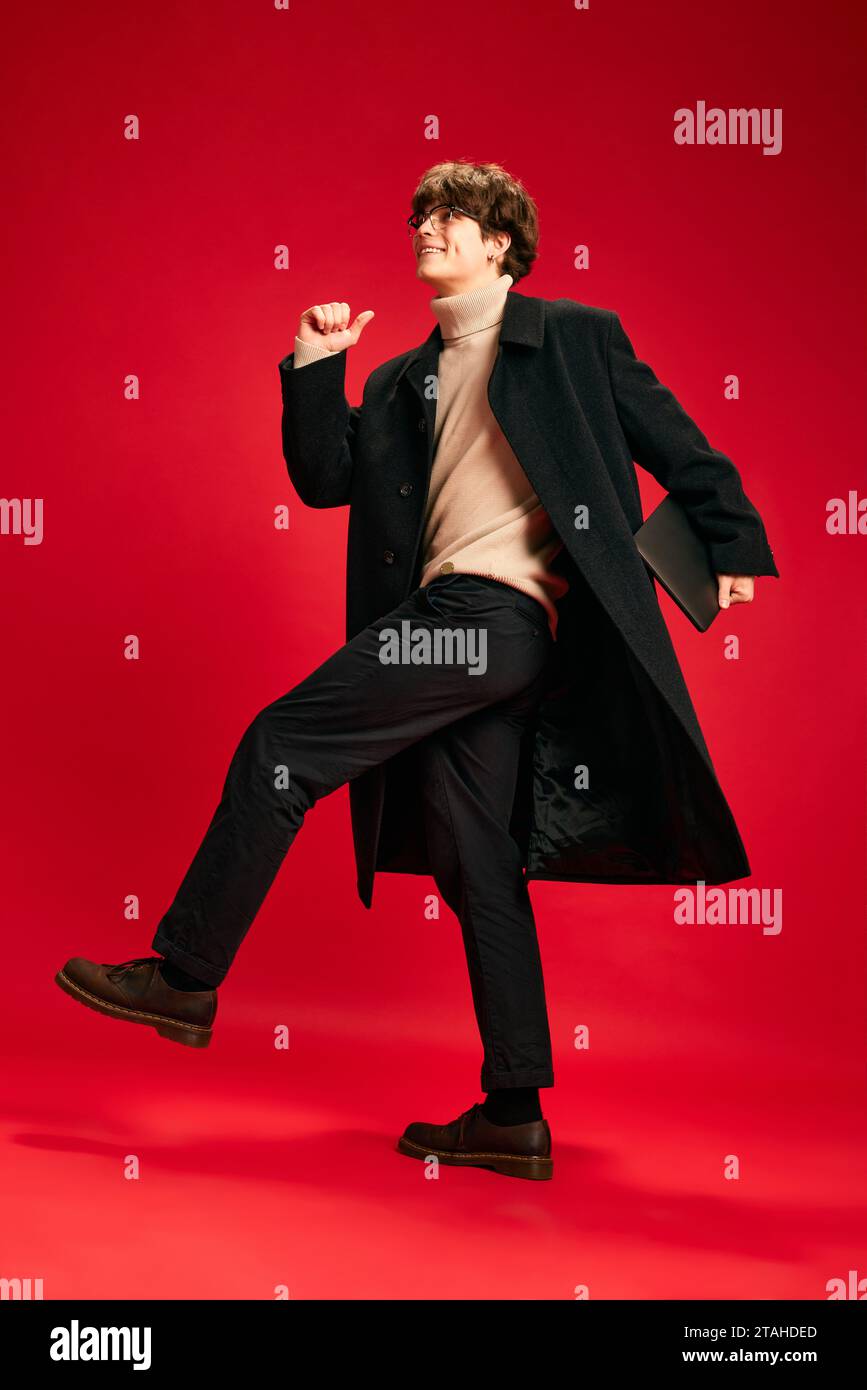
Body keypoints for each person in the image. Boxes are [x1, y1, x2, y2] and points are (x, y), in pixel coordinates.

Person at [55, 161, 778, 1183]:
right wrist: (315, 365)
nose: (431, 226)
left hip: (488, 620)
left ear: (501, 246)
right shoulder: (404, 378)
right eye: (422, 214)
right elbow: (325, 482)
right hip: (467, 633)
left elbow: (683, 448)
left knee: (281, 745)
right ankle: (515, 1112)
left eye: (457, 216)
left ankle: (183, 974)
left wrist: (734, 545)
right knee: (477, 859)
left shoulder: (574, 336)